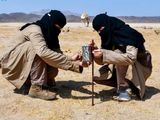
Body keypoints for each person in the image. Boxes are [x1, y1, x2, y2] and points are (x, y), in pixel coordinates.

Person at [0, 10, 88, 100]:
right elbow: (42, 52)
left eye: (59, 29)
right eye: (56, 27)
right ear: (50, 22)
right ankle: (36, 88)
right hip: (11, 64)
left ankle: (32, 82)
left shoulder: (51, 35)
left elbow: (57, 56)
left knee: (53, 69)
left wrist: (75, 61)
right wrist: (71, 64)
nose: (57, 31)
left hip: (24, 63)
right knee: (37, 48)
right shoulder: (35, 30)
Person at [91, 13, 152, 101]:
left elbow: (130, 58)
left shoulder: (129, 35)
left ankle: (125, 90)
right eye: (98, 31)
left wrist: (103, 53)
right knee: (98, 76)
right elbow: (104, 61)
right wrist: (96, 52)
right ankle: (125, 85)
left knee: (119, 53)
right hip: (123, 67)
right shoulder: (110, 36)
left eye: (101, 29)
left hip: (139, 67)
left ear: (107, 25)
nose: (100, 33)